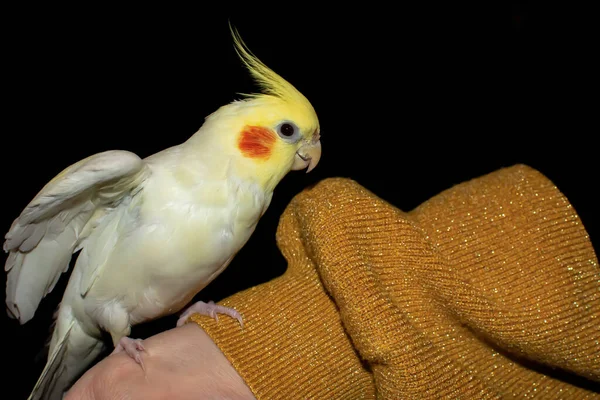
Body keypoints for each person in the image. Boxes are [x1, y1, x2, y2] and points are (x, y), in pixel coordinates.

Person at [66, 164, 600, 399]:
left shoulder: (246, 205)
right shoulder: (159, 180)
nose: (311, 150)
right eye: (291, 133)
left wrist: (270, 349)